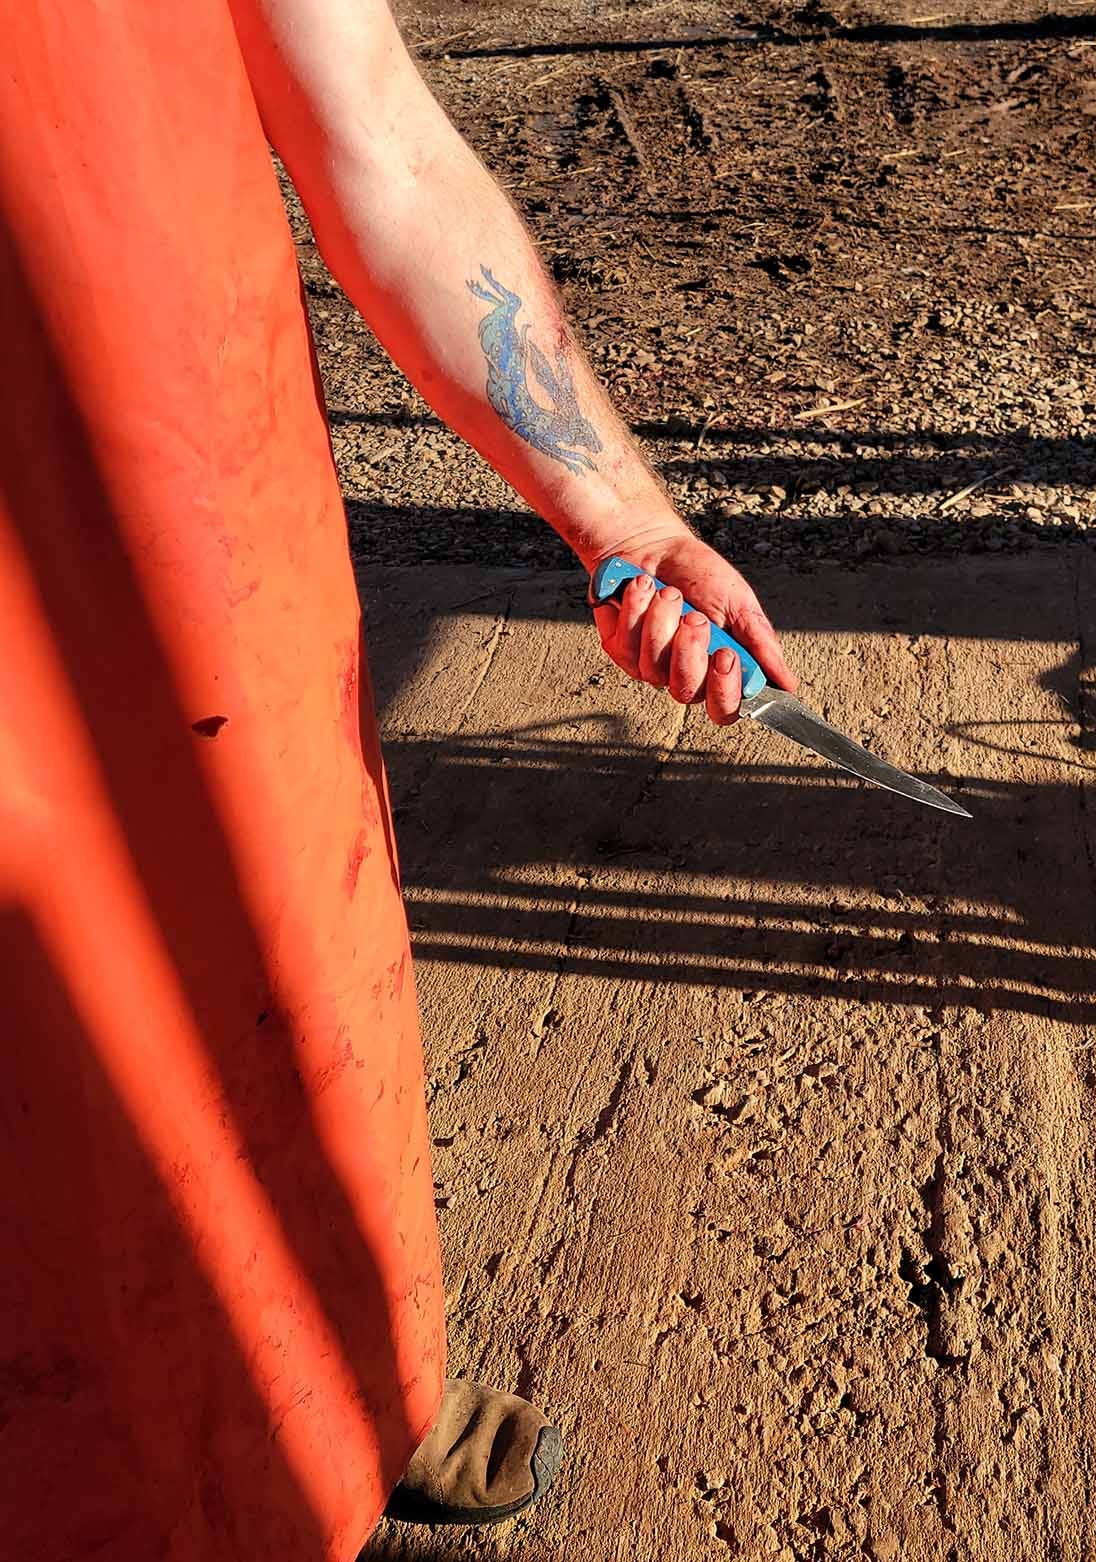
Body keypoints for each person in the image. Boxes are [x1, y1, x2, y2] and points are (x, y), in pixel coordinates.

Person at [0, 2, 794, 1558]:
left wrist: (623, 516)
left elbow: (376, 133)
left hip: (213, 551)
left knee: (294, 1002)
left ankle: (359, 1392)